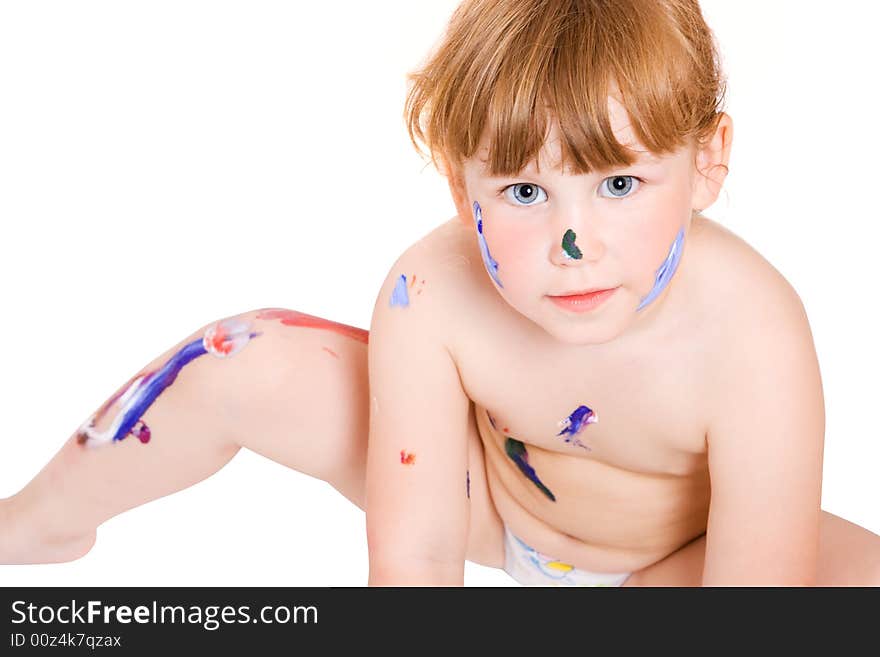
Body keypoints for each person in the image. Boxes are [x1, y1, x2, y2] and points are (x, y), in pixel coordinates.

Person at [2, 0, 879, 586]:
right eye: (525, 194)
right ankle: (37, 521)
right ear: (463, 191)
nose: (574, 247)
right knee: (243, 354)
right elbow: (414, 547)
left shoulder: (752, 332)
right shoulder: (434, 289)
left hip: (688, 565)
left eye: (619, 184)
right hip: (493, 512)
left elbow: (759, 593)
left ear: (707, 163)